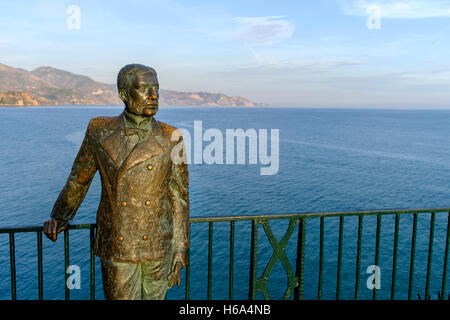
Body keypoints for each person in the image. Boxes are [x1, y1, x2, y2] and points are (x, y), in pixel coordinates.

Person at [43, 64, 189, 300]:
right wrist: (61, 215)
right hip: (117, 243)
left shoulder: (173, 136)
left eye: (156, 89)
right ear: (124, 94)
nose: (154, 96)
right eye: (145, 89)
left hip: (158, 245)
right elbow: (79, 179)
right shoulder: (99, 131)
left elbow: (179, 196)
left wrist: (181, 249)